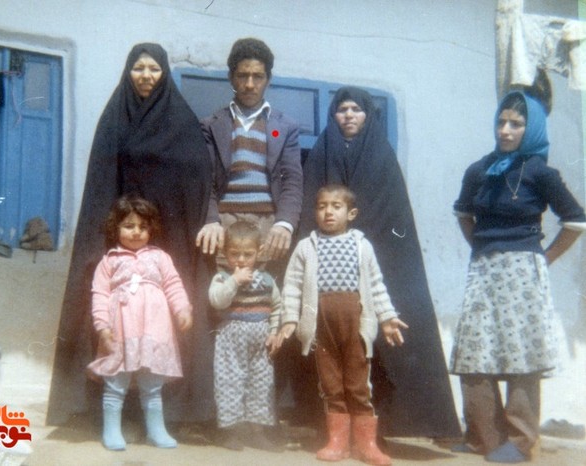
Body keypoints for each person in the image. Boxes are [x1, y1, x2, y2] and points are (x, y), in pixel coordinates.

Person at [47, 43, 214, 428]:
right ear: (128, 72)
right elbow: (102, 178)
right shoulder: (114, 118)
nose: (146, 76)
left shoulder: (182, 121)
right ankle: (107, 411)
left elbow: (198, 176)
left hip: (169, 236)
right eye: (138, 68)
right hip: (122, 235)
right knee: (117, 323)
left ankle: (165, 413)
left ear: (165, 73)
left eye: (154, 69)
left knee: (162, 324)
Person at [300, 87, 460, 438]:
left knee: (383, 341)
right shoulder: (322, 152)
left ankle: (388, 426)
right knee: (330, 351)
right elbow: (311, 207)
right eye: (342, 109)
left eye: (356, 109)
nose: (349, 115)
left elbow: (393, 213)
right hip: (330, 265)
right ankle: (330, 427)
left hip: (379, 257)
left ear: (368, 115)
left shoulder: (382, 155)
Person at [450, 90, 586, 463]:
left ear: (532, 129)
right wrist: (481, 246)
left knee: (520, 354)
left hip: (523, 273)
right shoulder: (478, 170)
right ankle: (483, 436)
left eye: (517, 124)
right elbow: (463, 213)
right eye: (501, 122)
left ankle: (521, 441)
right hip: (483, 270)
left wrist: (544, 258)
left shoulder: (541, 172)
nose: (506, 130)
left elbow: (576, 221)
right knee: (474, 351)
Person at [280, 185, 407, 466]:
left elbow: (376, 285)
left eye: (336, 207)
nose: (328, 212)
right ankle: (337, 442)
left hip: (355, 327)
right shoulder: (306, 247)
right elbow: (292, 286)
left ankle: (366, 445)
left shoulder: (361, 246)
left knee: (359, 385)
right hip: (322, 328)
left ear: (351, 213)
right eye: (322, 206)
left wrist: (387, 318)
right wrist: (289, 319)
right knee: (331, 384)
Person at [89, 196, 192, 450]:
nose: (136, 232)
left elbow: (173, 285)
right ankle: (111, 430)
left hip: (154, 328)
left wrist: (182, 309)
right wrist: (102, 326)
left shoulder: (160, 257)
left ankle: (156, 431)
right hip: (122, 329)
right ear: (116, 228)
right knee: (116, 382)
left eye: (143, 227)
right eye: (129, 226)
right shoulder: (110, 260)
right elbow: (99, 294)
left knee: (152, 384)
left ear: (151, 229)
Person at [196, 37, 303, 271]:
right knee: (222, 289)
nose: (250, 84)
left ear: (268, 79)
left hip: (269, 225)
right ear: (231, 78)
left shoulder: (284, 127)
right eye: (243, 76)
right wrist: (211, 219)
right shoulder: (212, 125)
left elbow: (292, 180)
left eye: (258, 76)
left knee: (265, 289)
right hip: (224, 224)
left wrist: (284, 223)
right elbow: (206, 180)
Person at [209, 221, 285, 452]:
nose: (241, 260)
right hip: (231, 340)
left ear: (259, 252)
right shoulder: (222, 278)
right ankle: (232, 432)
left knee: (261, 385)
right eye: (235, 254)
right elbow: (217, 301)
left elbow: (277, 307)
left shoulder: (267, 280)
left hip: (260, 341)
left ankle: (257, 433)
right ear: (225, 253)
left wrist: (275, 332)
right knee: (230, 383)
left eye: (247, 254)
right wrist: (234, 281)